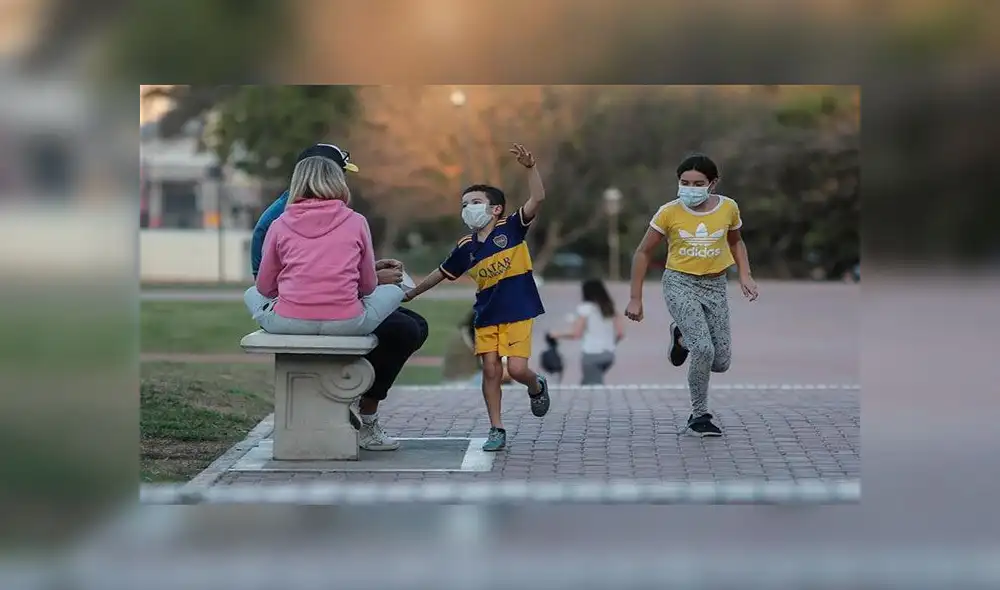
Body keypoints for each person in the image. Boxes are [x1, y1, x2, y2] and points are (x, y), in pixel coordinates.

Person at [245, 143, 428, 451]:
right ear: (334, 178)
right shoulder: (355, 220)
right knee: (400, 304)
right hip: (345, 318)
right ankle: (357, 406)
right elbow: (368, 287)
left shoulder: (280, 221)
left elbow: (263, 287)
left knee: (412, 325)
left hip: (290, 317)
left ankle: (351, 397)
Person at [404, 143, 550, 452]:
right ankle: (496, 428)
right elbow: (442, 272)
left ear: (495, 209)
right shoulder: (465, 247)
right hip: (486, 315)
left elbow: (537, 198)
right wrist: (413, 292)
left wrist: (530, 168)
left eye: (476, 201)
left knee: (518, 371)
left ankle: (537, 387)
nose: (468, 207)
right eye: (465, 203)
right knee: (490, 370)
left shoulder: (512, 227)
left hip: (519, 310)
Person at [624, 153, 759, 437]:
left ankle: (681, 336)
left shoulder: (728, 208)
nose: (690, 188)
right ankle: (699, 416)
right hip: (679, 283)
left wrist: (745, 274)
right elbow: (643, 251)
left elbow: (736, 242)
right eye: (684, 182)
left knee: (720, 361)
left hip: (715, 285)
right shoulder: (668, 212)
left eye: (698, 183)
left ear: (713, 183)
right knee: (704, 350)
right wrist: (636, 297)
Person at [547, 279, 624, 385]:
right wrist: (609, 345)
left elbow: (576, 333)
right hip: (608, 355)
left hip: (591, 354)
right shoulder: (610, 308)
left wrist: (556, 334)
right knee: (586, 383)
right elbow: (620, 334)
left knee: (593, 388)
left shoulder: (585, 309)